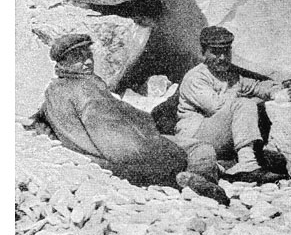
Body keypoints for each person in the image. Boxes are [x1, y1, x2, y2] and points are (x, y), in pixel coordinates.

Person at [32, 34, 228, 205]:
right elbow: (115, 138)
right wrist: (159, 150)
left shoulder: (54, 90)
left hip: (98, 154)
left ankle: (188, 179)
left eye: (88, 55)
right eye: (78, 58)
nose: (88, 62)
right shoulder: (85, 89)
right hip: (130, 158)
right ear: (62, 63)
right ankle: (199, 181)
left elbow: (43, 120)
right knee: (199, 148)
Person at [177, 26, 289, 184]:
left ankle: (230, 165)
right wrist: (247, 97)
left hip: (217, 138)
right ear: (203, 52)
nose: (222, 57)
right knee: (244, 103)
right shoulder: (196, 78)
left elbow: (257, 86)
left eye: (226, 51)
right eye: (215, 52)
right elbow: (217, 107)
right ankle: (247, 164)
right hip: (195, 138)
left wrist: (276, 92)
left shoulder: (230, 75)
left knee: (275, 159)